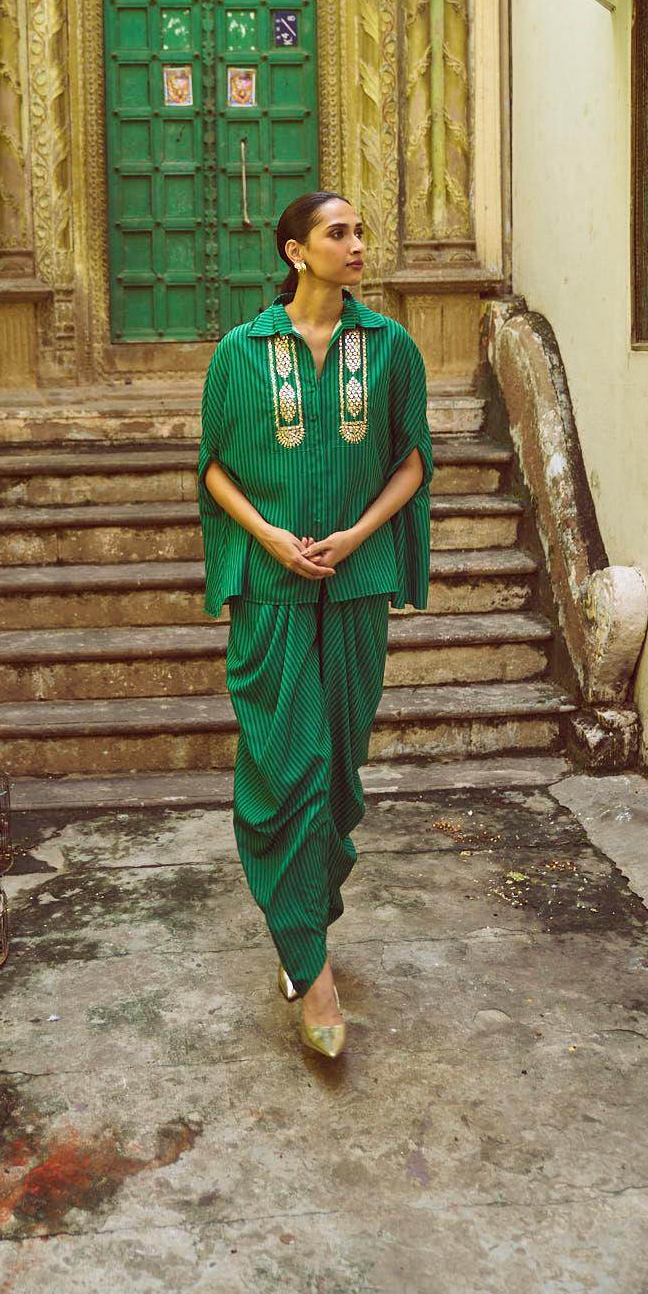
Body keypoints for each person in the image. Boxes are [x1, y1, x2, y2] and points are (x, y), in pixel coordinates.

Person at [197, 191, 433, 1059]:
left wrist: (357, 534)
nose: (357, 243)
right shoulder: (240, 352)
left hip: (356, 583)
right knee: (284, 766)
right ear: (295, 252)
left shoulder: (390, 346)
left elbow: (412, 460)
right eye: (339, 232)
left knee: (336, 773)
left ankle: (301, 925)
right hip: (272, 587)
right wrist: (266, 535)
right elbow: (214, 467)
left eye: (360, 230)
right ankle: (313, 972)